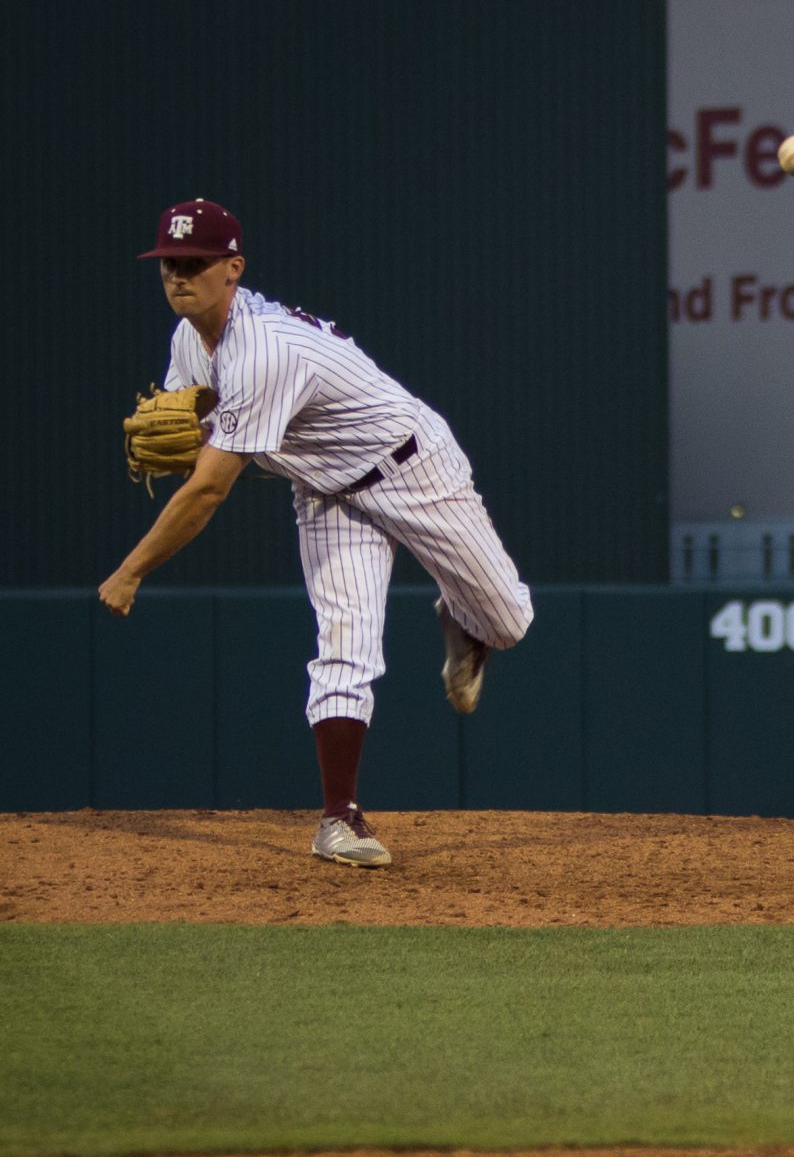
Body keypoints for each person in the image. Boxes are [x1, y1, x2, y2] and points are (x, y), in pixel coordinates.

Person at [98, 199, 533, 870]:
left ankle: (467, 623)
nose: (178, 275)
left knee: (510, 620)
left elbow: (209, 487)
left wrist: (131, 569)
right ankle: (340, 817)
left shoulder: (264, 352)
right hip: (327, 490)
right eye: (167, 264)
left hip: (411, 464)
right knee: (344, 644)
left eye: (194, 262)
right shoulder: (189, 341)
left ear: (232, 268)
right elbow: (205, 450)